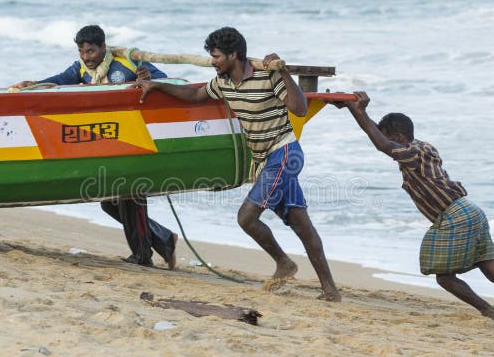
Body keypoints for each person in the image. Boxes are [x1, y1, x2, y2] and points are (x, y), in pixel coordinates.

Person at [136, 27, 341, 301]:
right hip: (266, 162)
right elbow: (195, 96)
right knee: (302, 225)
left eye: (217, 56)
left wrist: (283, 72)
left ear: (234, 55)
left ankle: (284, 264)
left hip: (285, 153)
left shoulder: (267, 76)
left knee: (246, 217)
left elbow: (300, 108)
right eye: (211, 56)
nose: (212, 61)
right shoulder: (223, 82)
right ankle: (330, 291)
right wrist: (157, 85)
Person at [339, 91, 494, 328]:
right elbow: (382, 140)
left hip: (455, 216)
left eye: (390, 138)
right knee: (493, 271)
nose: (389, 148)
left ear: (399, 137)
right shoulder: (423, 146)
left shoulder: (413, 152)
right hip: (470, 210)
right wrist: (356, 112)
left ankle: (490, 312)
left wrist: (359, 112)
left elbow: (382, 145)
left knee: (444, 276)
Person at [9, 25, 178, 269]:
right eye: (82, 51)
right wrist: (33, 84)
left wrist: (149, 81)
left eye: (91, 51)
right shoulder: (80, 68)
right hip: (111, 142)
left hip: (138, 139)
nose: (86, 57)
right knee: (110, 201)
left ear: (103, 47)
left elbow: (168, 83)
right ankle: (162, 240)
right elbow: (58, 82)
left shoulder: (128, 63)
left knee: (129, 194)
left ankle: (143, 256)